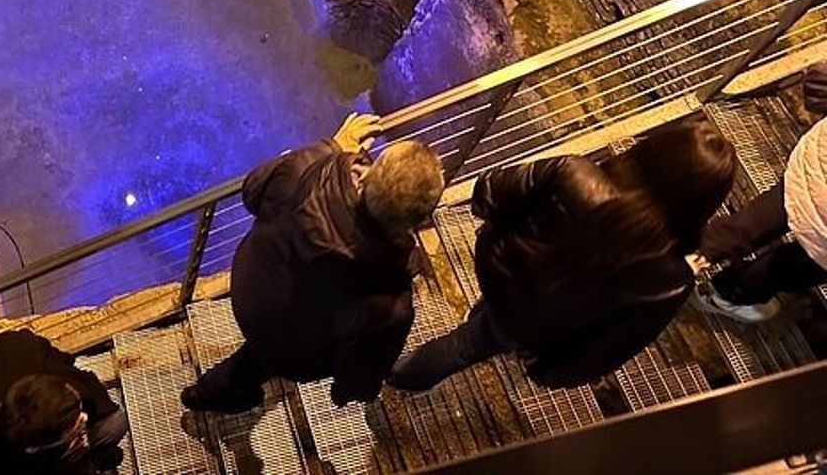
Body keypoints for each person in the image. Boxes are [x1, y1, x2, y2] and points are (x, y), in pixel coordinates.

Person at [389, 114, 735, 392]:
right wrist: (548, 372)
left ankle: (396, 374)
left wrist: (498, 232)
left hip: (499, 268)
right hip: (535, 325)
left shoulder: (575, 174)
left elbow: (488, 193)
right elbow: (608, 348)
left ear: (654, 151)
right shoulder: (672, 281)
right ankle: (410, 372)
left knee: (471, 336)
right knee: (470, 345)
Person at [180, 112, 446, 413]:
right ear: (421, 221)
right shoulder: (390, 304)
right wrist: (348, 393)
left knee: (261, 350)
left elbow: (252, 192)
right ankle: (209, 393)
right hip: (292, 350)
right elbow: (361, 370)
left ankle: (206, 394)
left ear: (369, 171)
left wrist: (329, 148)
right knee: (265, 357)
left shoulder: (303, 172)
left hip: (250, 287)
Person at [696, 116, 827, 322]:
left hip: (820, 168)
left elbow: (819, 86)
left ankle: (692, 256)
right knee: (801, 263)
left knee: (774, 209)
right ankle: (726, 293)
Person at [0, 329, 129, 475]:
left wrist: (75, 437)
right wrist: (67, 460)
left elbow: (63, 360)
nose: (84, 418)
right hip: (39, 464)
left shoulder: (13, 346)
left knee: (116, 422)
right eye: (76, 423)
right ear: (39, 446)